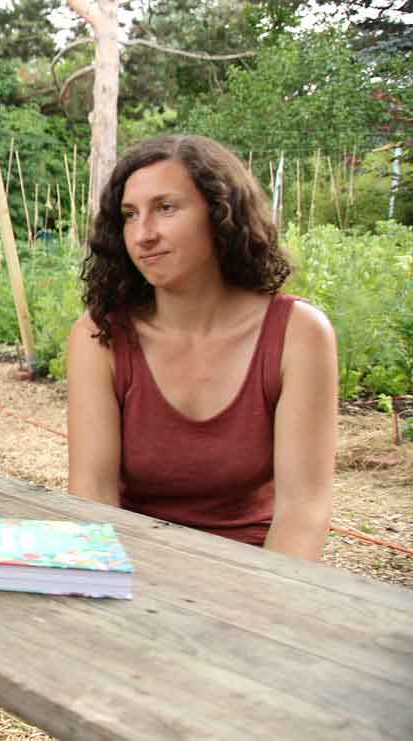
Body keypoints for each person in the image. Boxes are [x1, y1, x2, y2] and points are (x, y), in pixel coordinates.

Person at [65, 135, 336, 561]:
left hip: (260, 572)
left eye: (165, 208)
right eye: (130, 215)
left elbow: (303, 511)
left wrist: (266, 609)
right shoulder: (99, 337)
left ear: (220, 213)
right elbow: (92, 497)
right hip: (133, 567)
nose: (144, 234)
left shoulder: (298, 334)